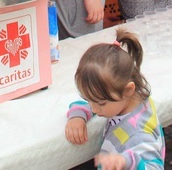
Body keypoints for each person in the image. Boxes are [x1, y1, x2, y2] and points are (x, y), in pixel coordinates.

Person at [65, 28, 165, 169]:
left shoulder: (138, 134)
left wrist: (127, 161)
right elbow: (96, 101)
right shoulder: (131, 100)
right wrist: (78, 115)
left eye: (100, 103)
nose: (94, 109)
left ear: (128, 90)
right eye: (89, 101)